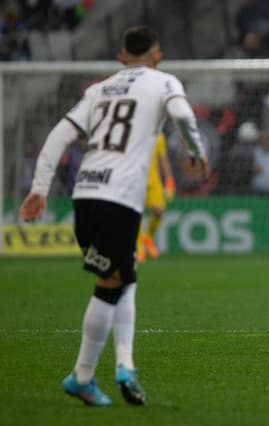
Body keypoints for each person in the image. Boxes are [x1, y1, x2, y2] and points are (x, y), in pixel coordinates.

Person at [19, 25, 209, 406]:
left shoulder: (97, 89)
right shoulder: (163, 81)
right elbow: (183, 115)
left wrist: (40, 188)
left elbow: (59, 135)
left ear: (120, 58)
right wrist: (197, 151)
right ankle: (82, 375)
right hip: (117, 197)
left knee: (124, 274)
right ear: (158, 56)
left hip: (85, 195)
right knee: (109, 284)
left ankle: (125, 364)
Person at [137, 132, 174, 262]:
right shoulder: (135, 132)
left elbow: (163, 159)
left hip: (153, 181)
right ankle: (138, 248)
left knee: (159, 211)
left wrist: (169, 181)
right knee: (137, 213)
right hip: (136, 179)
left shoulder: (159, 135)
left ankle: (147, 238)